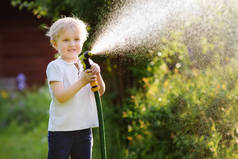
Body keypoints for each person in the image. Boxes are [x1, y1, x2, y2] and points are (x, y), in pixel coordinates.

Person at [45, 17, 105, 159]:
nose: (72, 44)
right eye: (66, 40)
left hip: (84, 129)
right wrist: (82, 81)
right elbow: (61, 96)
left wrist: (98, 75)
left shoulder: (86, 64)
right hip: (61, 131)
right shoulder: (55, 67)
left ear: (82, 41)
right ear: (55, 44)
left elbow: (100, 92)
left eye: (76, 39)